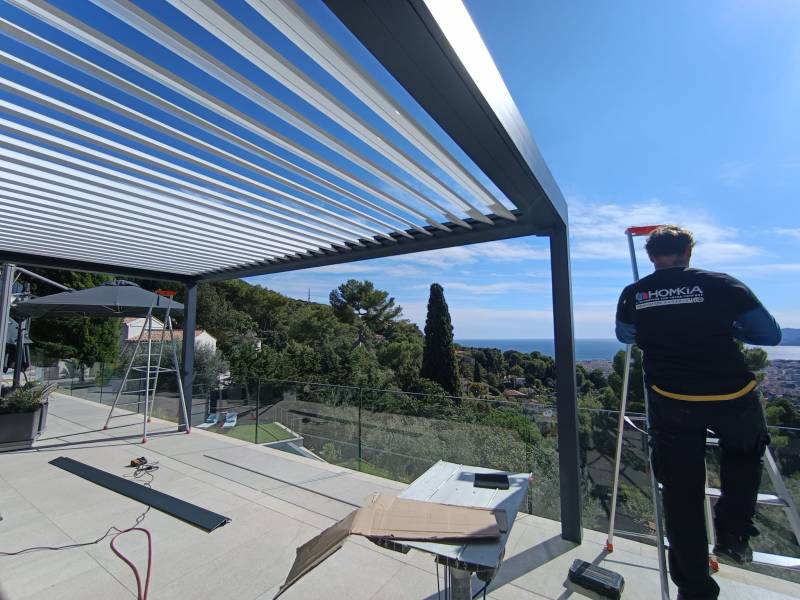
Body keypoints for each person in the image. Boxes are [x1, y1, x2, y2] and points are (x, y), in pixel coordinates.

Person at [614, 225, 781, 600]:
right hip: (732, 394)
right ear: (689, 251)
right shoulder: (723, 285)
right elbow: (770, 335)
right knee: (744, 455)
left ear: (651, 256)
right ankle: (733, 534)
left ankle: (695, 591)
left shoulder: (634, 293)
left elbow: (626, 336)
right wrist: (729, 328)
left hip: (671, 400)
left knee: (680, 495)